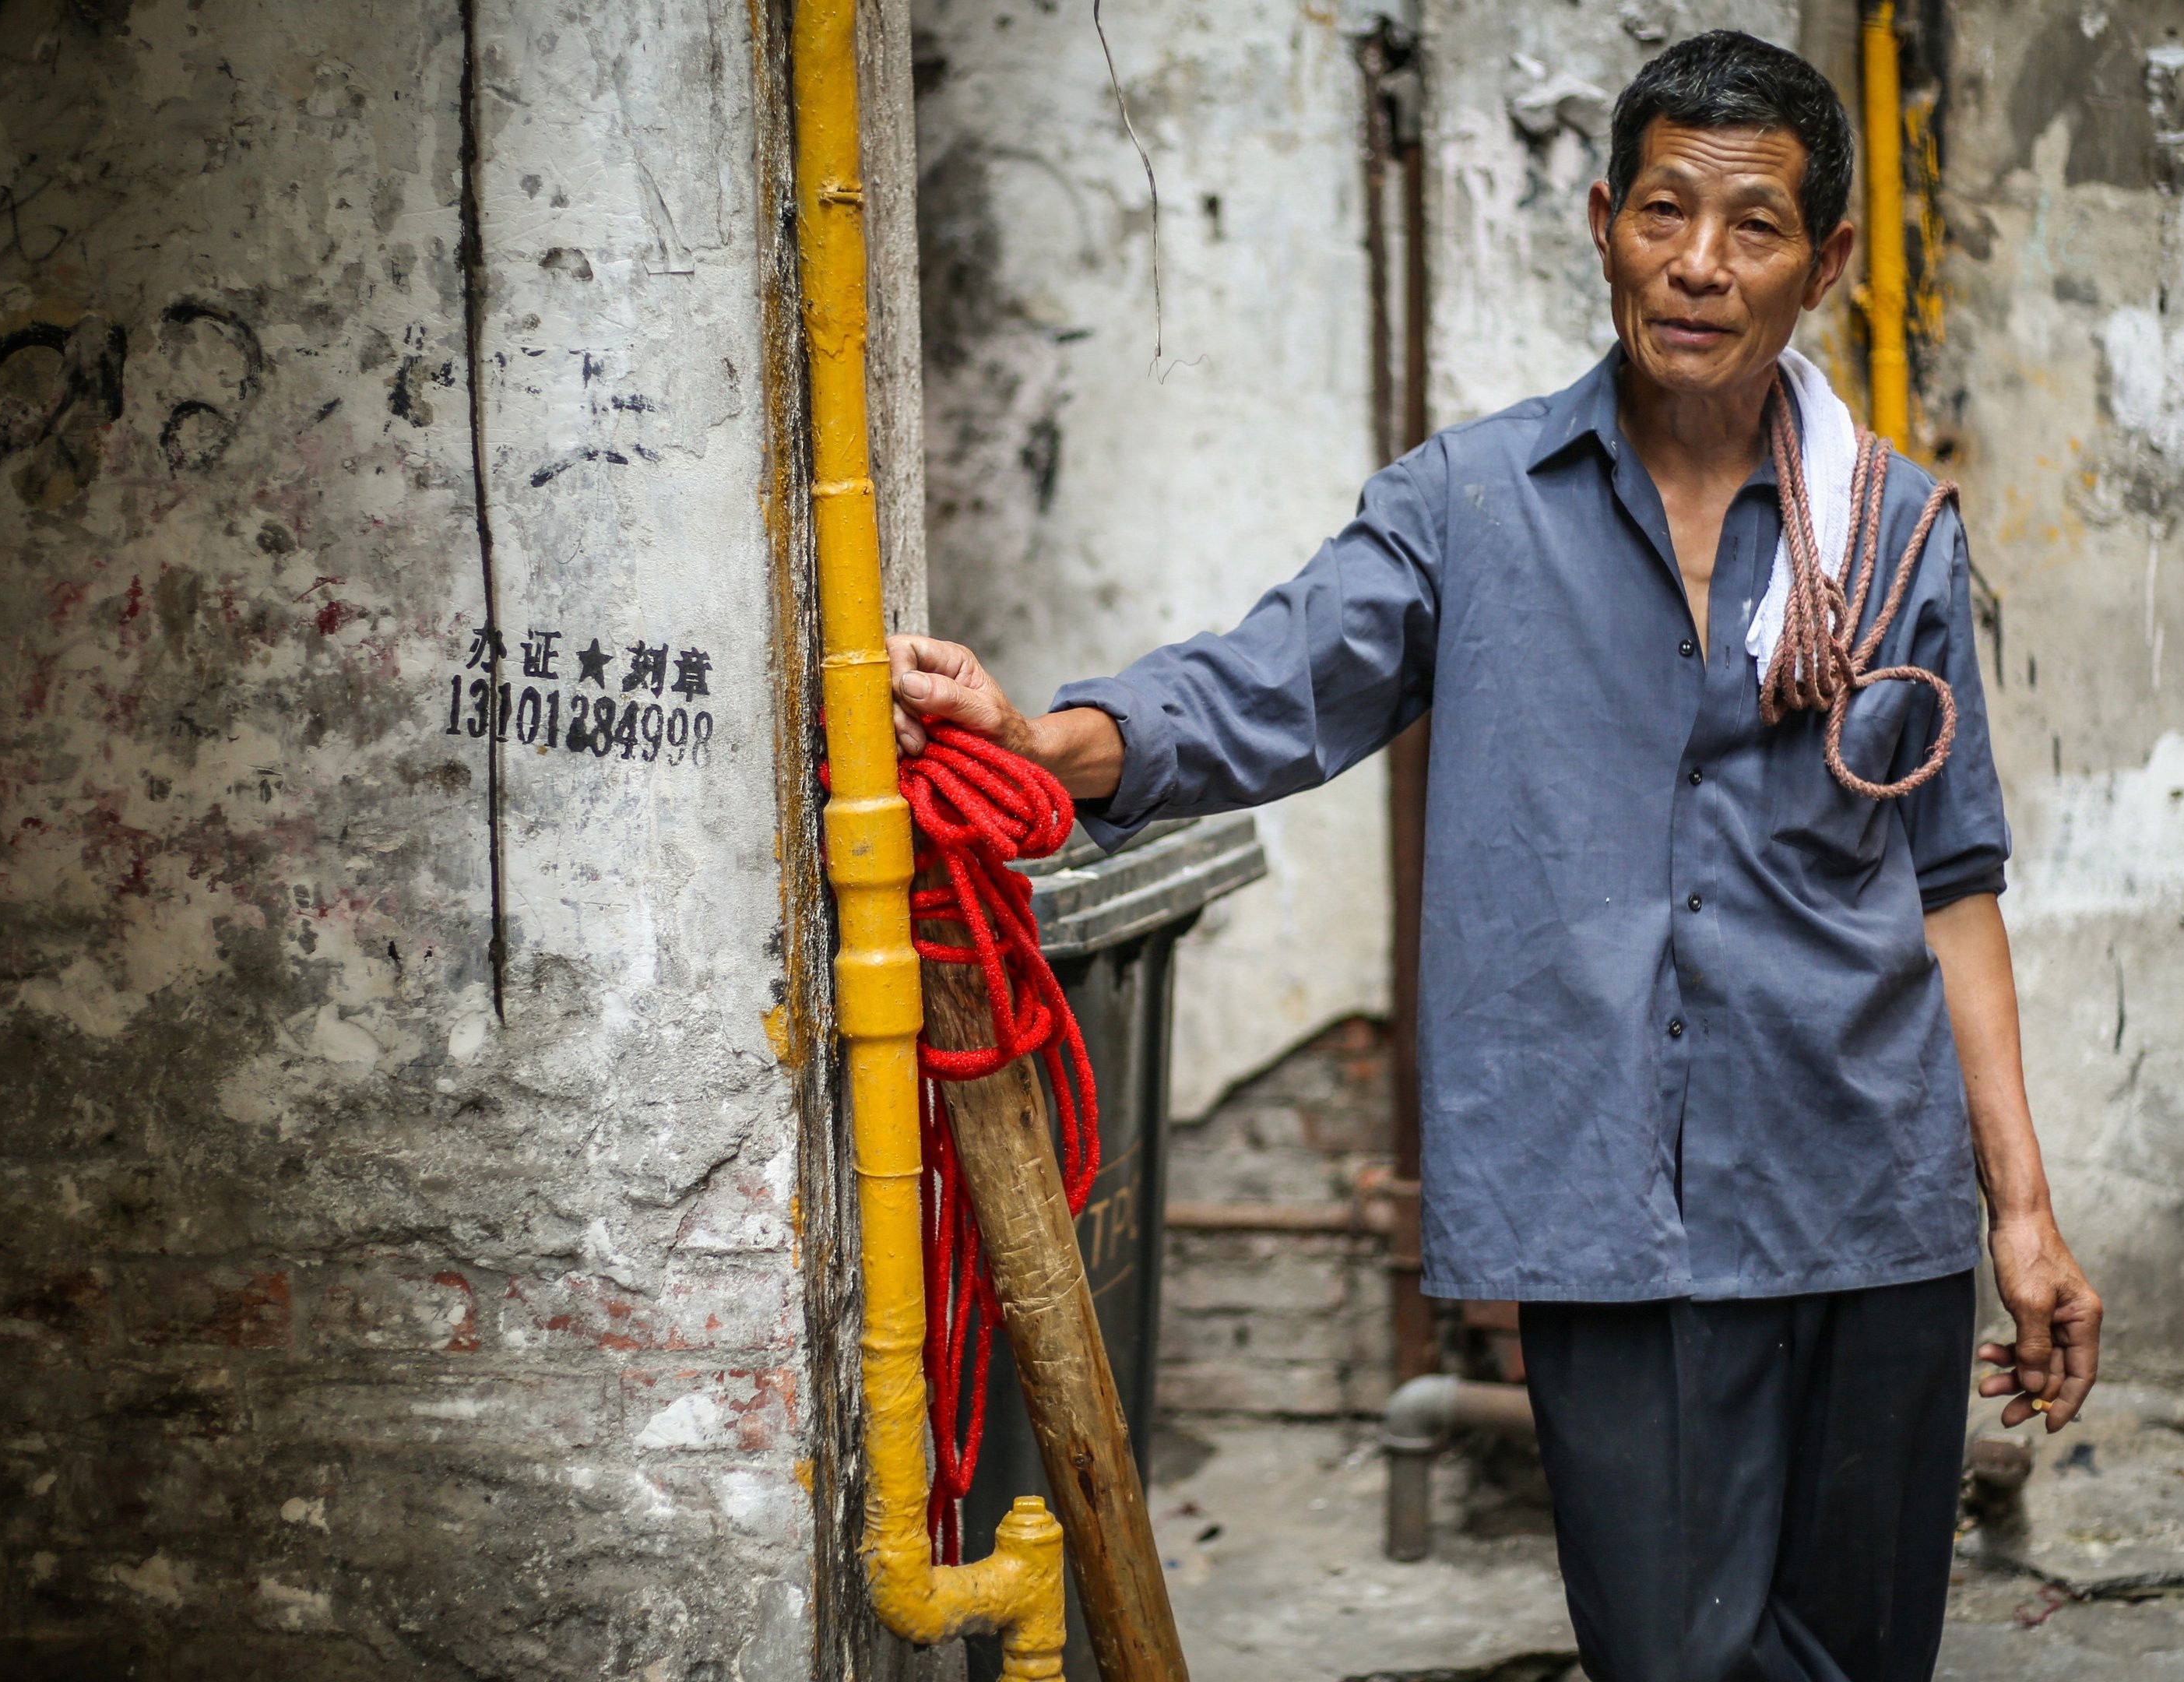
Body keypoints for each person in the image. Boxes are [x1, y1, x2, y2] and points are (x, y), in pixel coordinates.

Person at [888, 30, 2099, 1682]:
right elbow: (1274, 684)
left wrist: (2020, 1215)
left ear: (1820, 267)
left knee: (1859, 1659)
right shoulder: (1471, 504)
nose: (1697, 264)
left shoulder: (1892, 533)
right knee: (1668, 1656)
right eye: (1664, 211)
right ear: (1604, 221)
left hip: (1868, 1199)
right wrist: (1048, 746)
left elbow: (1950, 884)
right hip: (1602, 1202)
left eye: (1752, 229)